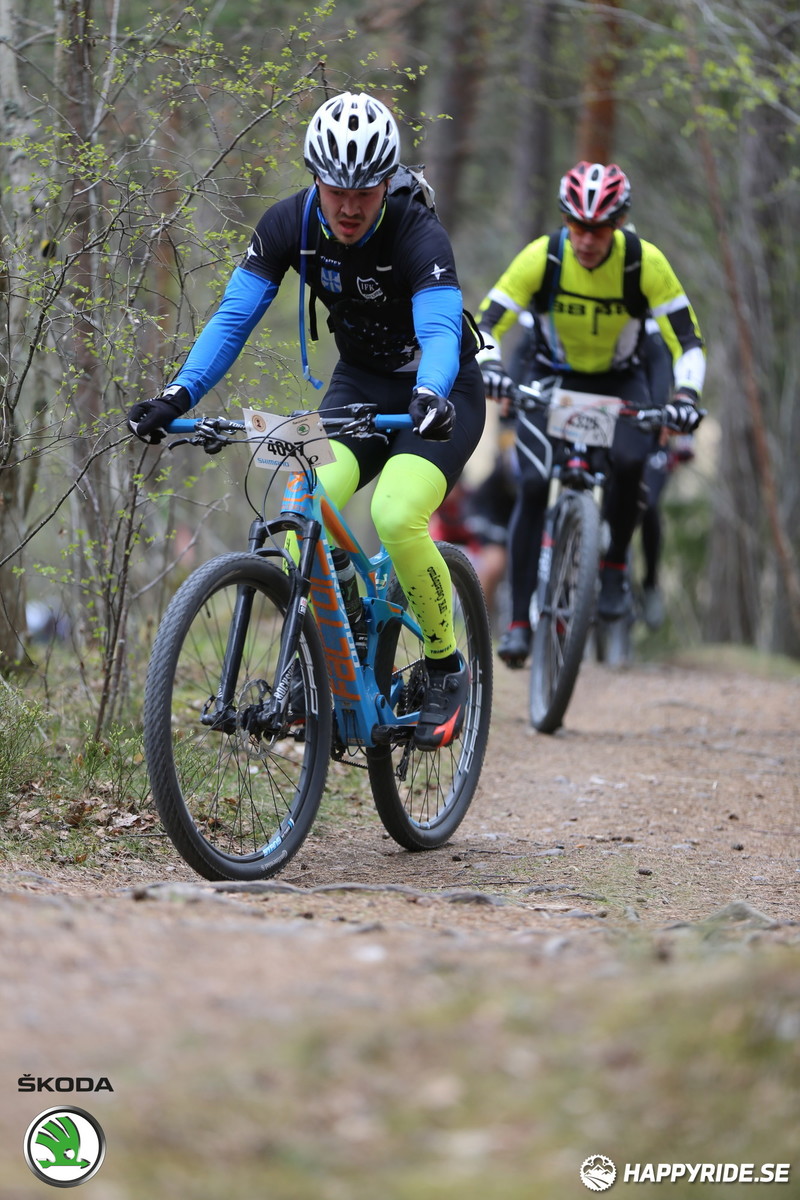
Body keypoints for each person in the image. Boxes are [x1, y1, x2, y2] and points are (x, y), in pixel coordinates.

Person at [127, 91, 486, 748]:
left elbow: (438, 328)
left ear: (386, 184)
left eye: (365, 191)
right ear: (315, 177)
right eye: (335, 188)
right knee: (300, 503)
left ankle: (443, 665)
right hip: (358, 387)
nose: (348, 206)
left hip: (441, 395)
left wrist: (433, 391)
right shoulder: (287, 223)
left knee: (396, 514)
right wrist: (179, 395)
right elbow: (233, 317)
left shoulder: (416, 231)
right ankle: (326, 648)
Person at [474, 161, 705, 667]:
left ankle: (617, 565)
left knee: (629, 463)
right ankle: (517, 626)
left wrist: (685, 396)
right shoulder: (544, 255)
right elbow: (486, 322)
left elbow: (687, 340)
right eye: (576, 225)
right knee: (533, 485)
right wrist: (490, 365)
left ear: (619, 223)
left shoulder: (644, 263)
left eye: (598, 228)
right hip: (551, 372)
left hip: (618, 378)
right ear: (565, 221)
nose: (585, 238)